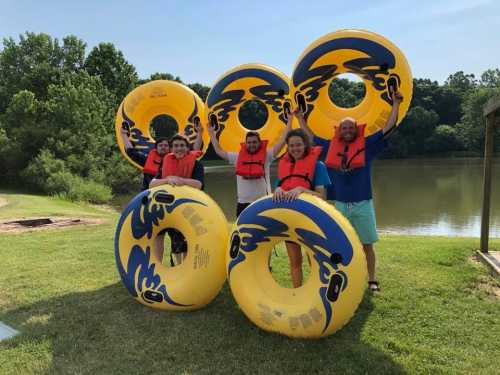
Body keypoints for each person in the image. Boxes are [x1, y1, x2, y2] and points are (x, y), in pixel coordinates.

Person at [296, 90, 404, 292]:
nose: (347, 130)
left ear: (356, 129)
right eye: (343, 127)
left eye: (350, 127)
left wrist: (395, 104)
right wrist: (300, 117)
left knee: (367, 245)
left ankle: (372, 280)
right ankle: (342, 277)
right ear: (339, 130)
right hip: (340, 205)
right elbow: (310, 136)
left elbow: (388, 128)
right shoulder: (330, 146)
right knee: (338, 243)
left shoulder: (367, 145)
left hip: (363, 202)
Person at [273, 128, 331, 288]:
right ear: (287, 147)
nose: (295, 149)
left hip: (311, 222)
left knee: (314, 261)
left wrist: (301, 189)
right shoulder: (285, 166)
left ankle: (316, 293)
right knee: (295, 262)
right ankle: (297, 293)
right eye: (291, 146)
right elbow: (280, 188)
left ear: (306, 145)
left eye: (298, 145)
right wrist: (277, 189)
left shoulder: (318, 166)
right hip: (290, 220)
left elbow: (321, 196)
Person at [207, 113, 292, 217]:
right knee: (243, 232)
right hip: (242, 203)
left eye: (254, 142)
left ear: (260, 143)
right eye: (249, 142)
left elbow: (283, 141)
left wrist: (290, 120)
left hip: (263, 201)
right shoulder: (237, 157)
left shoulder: (267, 155)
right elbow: (219, 151)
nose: (252, 144)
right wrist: (211, 134)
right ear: (245, 143)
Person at [150, 134, 205, 265]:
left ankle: (184, 268)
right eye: (175, 146)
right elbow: (152, 184)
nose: (178, 148)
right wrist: (167, 179)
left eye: (182, 146)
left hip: (186, 208)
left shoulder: (196, 164)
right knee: (159, 235)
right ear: (171, 148)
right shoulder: (166, 161)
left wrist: (181, 180)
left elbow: (198, 184)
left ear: (187, 148)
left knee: (182, 240)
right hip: (166, 206)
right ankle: (159, 266)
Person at [120, 120, 203, 191]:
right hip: (155, 195)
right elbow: (131, 152)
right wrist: (124, 135)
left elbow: (195, 150)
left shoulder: (190, 160)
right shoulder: (149, 159)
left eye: (165, 145)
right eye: (160, 145)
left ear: (170, 149)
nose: (163, 147)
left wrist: (199, 132)